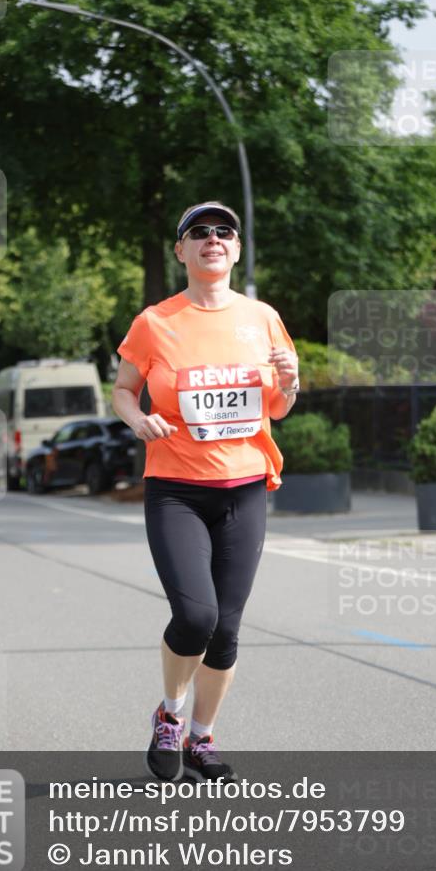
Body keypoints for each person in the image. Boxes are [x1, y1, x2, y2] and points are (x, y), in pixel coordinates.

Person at [113, 202, 299, 782]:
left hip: (244, 485)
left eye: (224, 232)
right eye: (199, 233)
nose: (212, 239)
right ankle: (169, 715)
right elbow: (122, 389)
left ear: (236, 250)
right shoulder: (155, 322)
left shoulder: (262, 317)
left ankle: (200, 738)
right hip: (176, 489)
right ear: (182, 252)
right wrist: (137, 419)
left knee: (227, 628)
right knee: (196, 615)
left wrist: (291, 382)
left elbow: (278, 406)